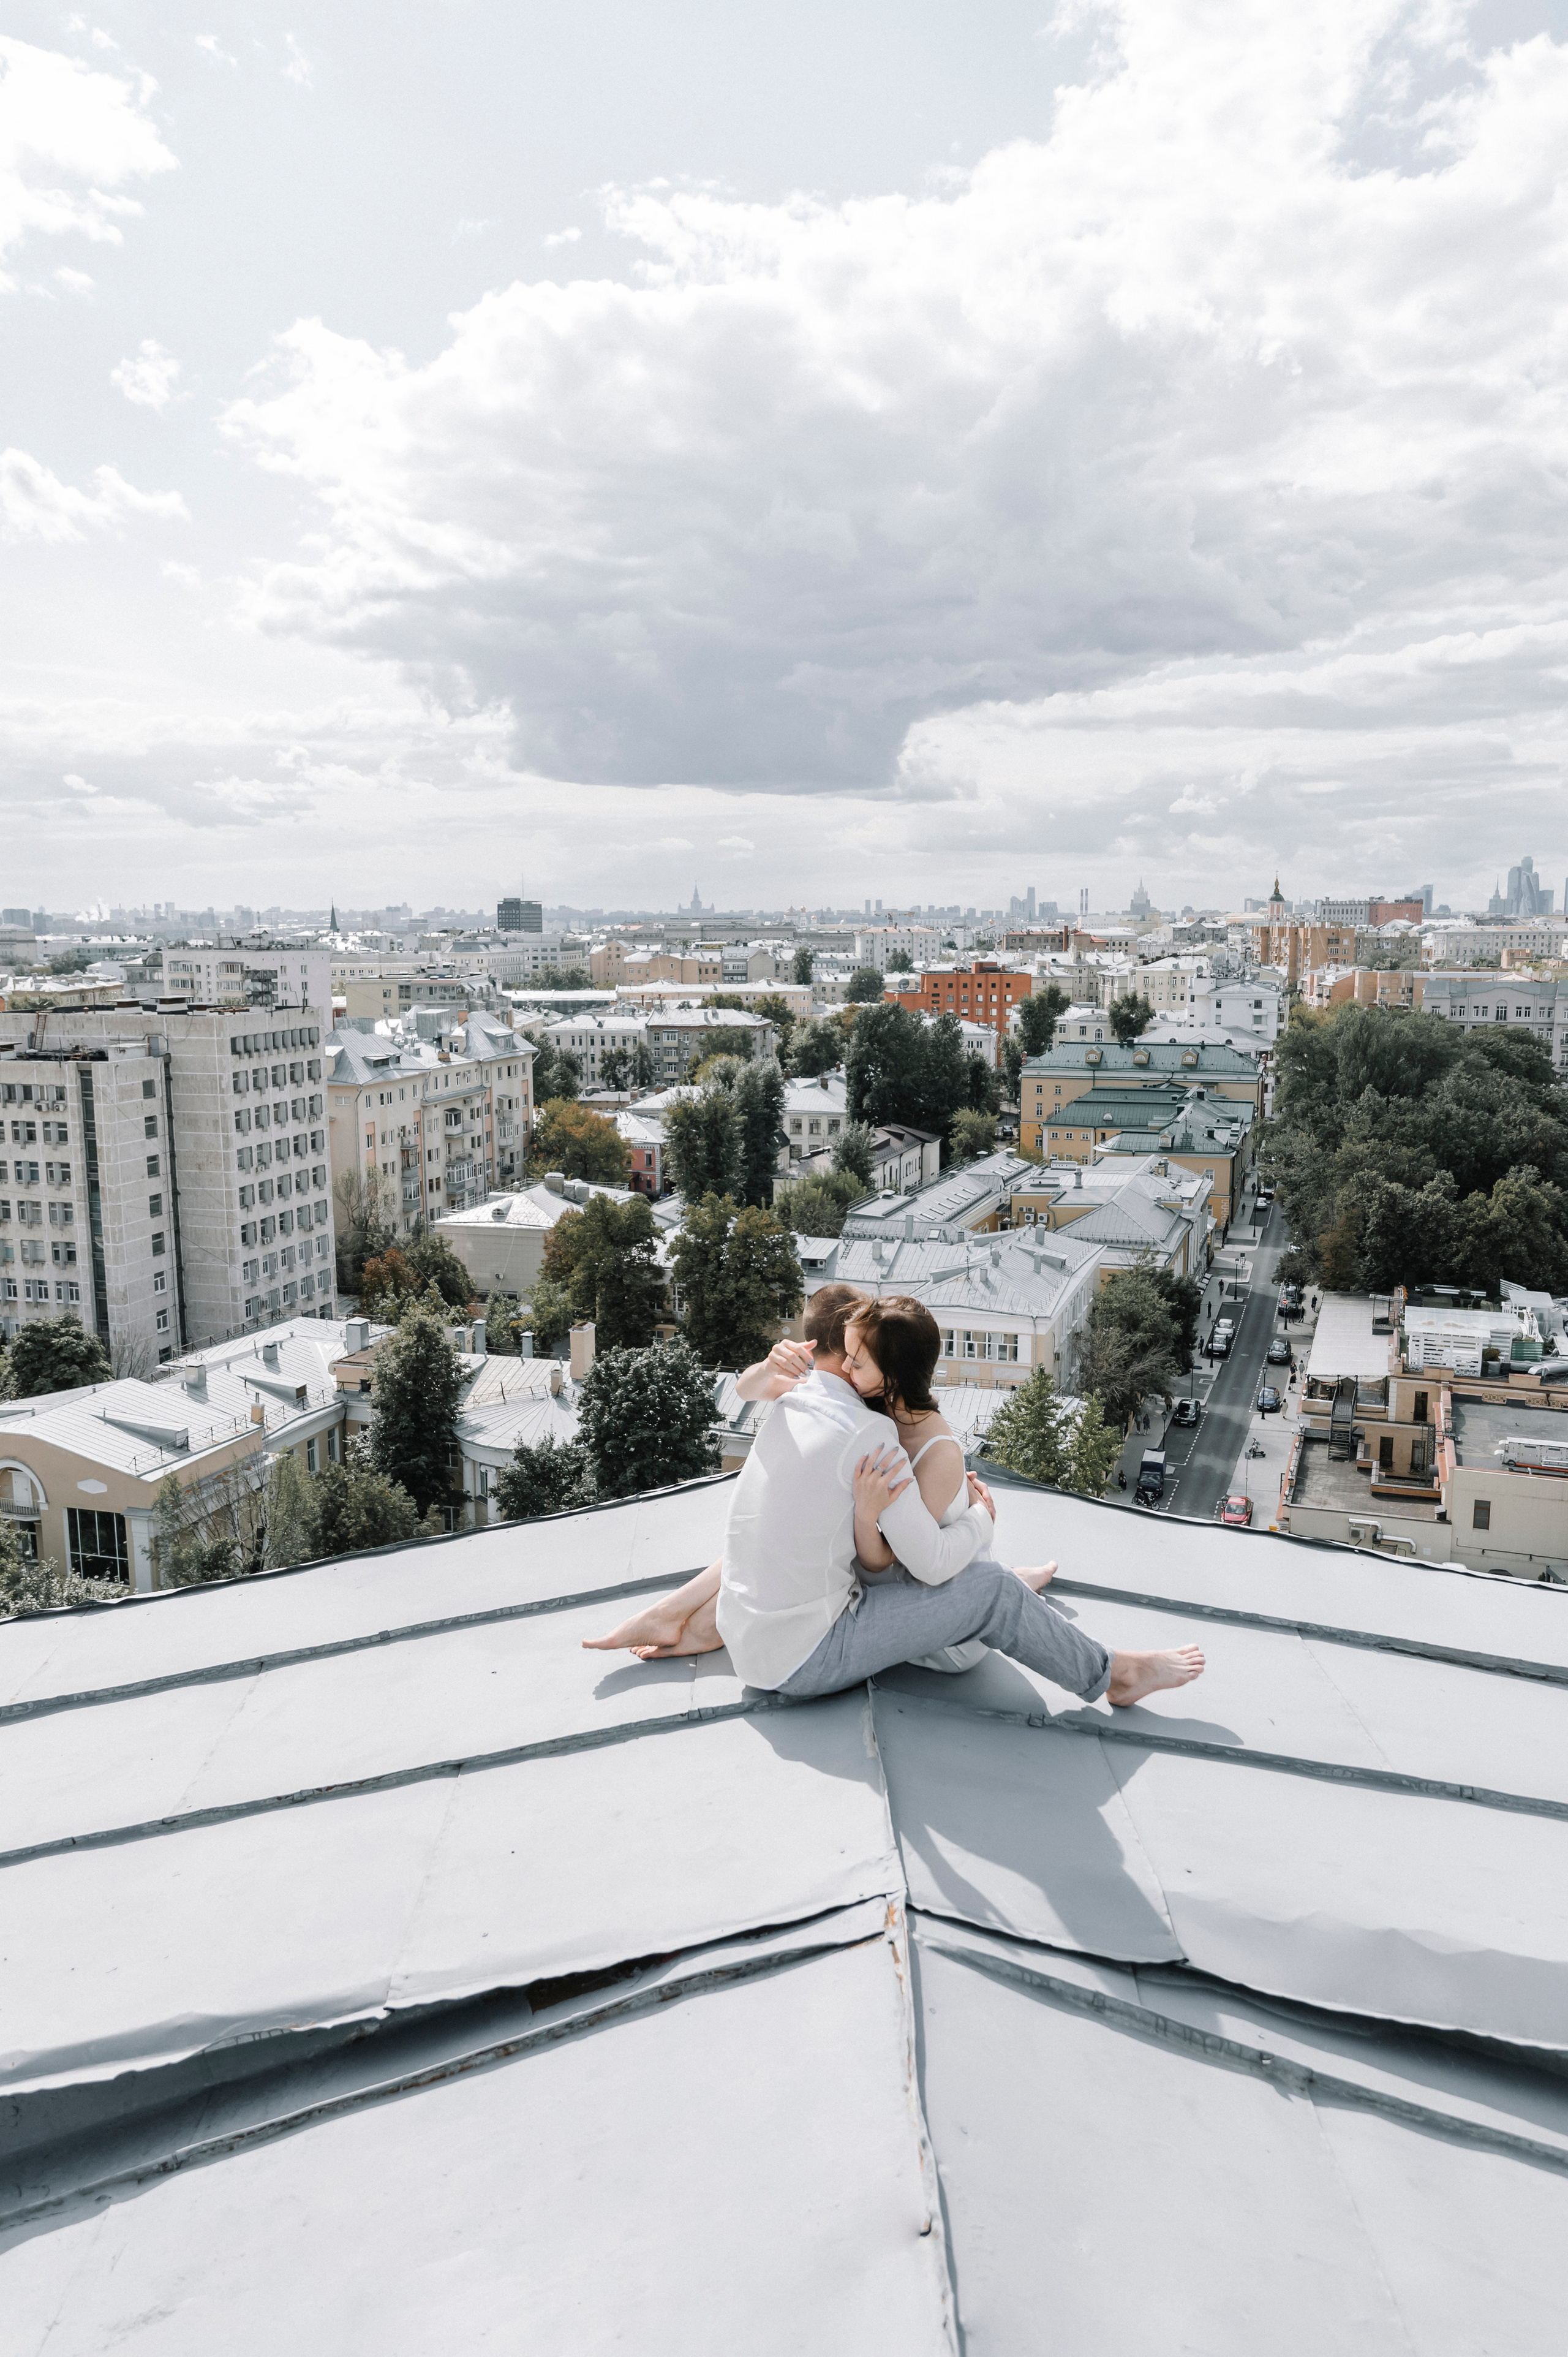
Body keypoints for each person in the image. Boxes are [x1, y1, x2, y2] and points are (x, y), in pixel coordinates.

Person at [587, 1285, 1203, 1708]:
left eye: (859, 1360)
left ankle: (681, 1618)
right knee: (988, 1589)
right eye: (847, 1356)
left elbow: (755, 1385)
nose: (847, 1368)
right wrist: (984, 1521)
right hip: (802, 1660)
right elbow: (930, 1565)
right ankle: (1113, 1674)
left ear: (890, 1375)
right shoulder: (870, 1433)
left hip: (750, 1633)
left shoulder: (801, 1396)